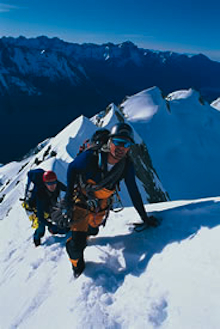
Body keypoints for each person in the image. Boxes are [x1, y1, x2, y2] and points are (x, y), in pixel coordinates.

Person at [62, 123, 159, 277]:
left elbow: (134, 192)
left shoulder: (125, 165)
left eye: (127, 144)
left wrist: (144, 217)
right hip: (82, 200)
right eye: (119, 142)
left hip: (102, 203)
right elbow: (72, 168)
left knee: (93, 229)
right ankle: (77, 266)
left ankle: (87, 230)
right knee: (77, 245)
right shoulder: (91, 157)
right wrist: (68, 199)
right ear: (110, 141)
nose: (122, 148)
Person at [24, 169, 68, 246]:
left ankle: (59, 229)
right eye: (49, 183)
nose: (52, 185)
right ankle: (37, 239)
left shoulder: (57, 184)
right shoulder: (40, 194)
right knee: (41, 227)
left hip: (49, 205)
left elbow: (68, 190)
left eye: (54, 182)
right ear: (45, 183)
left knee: (59, 220)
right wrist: (50, 225)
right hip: (36, 208)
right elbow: (40, 216)